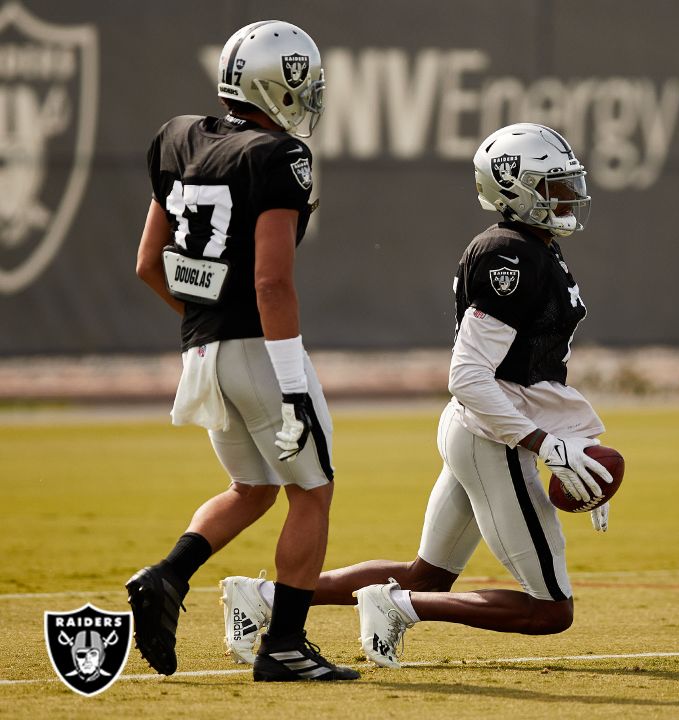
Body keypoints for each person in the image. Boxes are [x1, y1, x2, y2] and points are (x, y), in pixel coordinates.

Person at [219, 123, 613, 669]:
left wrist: (572, 442)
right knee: (550, 610)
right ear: (513, 187)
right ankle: (398, 608)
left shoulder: (533, 248)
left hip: (483, 430)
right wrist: (547, 443)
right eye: (553, 185)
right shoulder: (511, 256)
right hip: (490, 435)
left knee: (427, 576)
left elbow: (529, 371)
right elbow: (470, 376)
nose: (567, 197)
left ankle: (259, 599)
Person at [127, 20, 358, 682]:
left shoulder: (177, 137)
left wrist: (209, 318)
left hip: (203, 352)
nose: (310, 95)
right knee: (312, 491)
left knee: (252, 488)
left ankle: (167, 575)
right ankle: (284, 645)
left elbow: (149, 262)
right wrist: (290, 385)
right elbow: (271, 280)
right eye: (302, 82)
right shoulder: (280, 156)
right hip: (260, 349)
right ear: (274, 84)